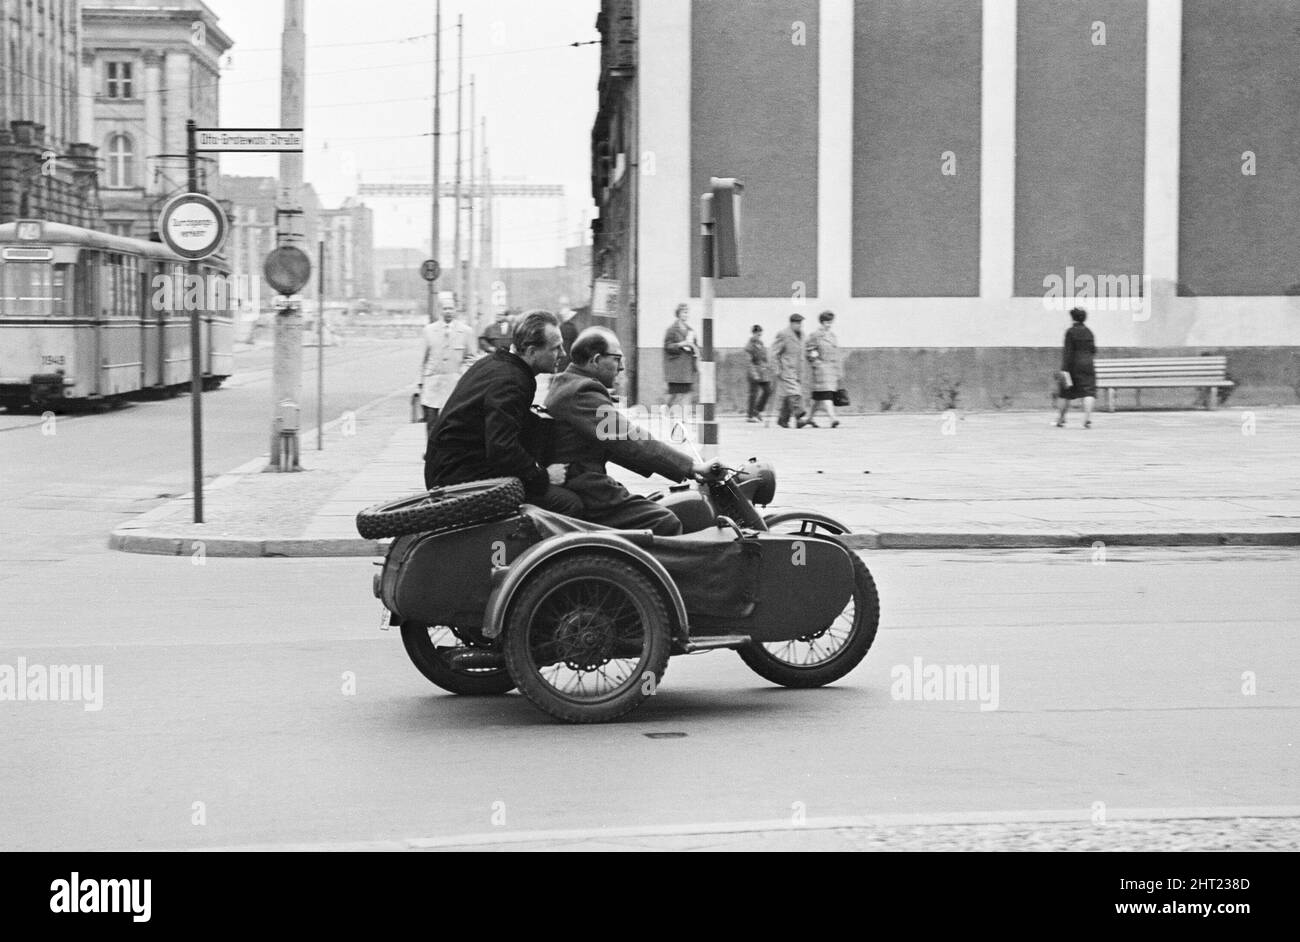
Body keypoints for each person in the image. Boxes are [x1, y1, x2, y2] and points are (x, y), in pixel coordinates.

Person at [547, 327, 720, 536]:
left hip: (582, 484)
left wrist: (679, 468)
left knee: (658, 505)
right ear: (596, 360)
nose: (621, 368)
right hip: (587, 489)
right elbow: (629, 439)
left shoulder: (568, 384)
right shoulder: (582, 392)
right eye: (617, 359)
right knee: (664, 521)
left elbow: (618, 446)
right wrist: (692, 467)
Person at [424, 310, 582, 516]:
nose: (562, 354)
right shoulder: (511, 381)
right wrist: (543, 476)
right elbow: (502, 448)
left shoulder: (497, 364)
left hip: (450, 467)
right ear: (532, 351)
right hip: (457, 478)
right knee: (569, 503)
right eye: (555, 348)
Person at [415, 303, 476, 434]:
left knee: (452, 422)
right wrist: (420, 382)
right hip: (432, 384)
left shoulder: (466, 331)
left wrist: (462, 375)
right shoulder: (429, 330)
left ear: (456, 310)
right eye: (445, 308)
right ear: (440, 311)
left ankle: (449, 452)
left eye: (451, 308)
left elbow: (471, 358)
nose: (448, 311)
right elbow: (422, 359)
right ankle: (431, 452)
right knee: (431, 421)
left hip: (454, 384)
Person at [1056, 306, 1097, 428]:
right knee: (1088, 392)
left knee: (1065, 393)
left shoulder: (1070, 332)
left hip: (1073, 365)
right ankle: (1087, 419)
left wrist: (1064, 369)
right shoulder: (1089, 332)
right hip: (1088, 365)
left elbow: (1068, 352)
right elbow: (1093, 350)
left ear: (1072, 318)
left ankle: (1061, 419)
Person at [803, 310, 842, 428]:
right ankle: (833, 418)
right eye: (826, 322)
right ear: (821, 322)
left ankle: (809, 419)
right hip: (821, 370)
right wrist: (816, 362)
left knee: (818, 398)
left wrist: (839, 370)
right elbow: (809, 349)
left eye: (830, 322)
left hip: (832, 369)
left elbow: (836, 354)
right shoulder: (815, 335)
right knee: (827, 395)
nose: (829, 324)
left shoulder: (832, 336)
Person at [770, 313, 808, 428]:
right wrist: (777, 369)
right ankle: (799, 417)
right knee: (795, 392)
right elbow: (774, 353)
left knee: (789, 394)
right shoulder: (783, 334)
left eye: (800, 323)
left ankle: (783, 419)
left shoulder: (802, 335)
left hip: (799, 370)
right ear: (791, 323)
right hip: (786, 369)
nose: (799, 325)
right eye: (797, 323)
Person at [662, 302, 698, 411]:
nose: (686, 315)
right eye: (683, 312)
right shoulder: (671, 330)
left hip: (686, 366)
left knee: (687, 392)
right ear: (678, 314)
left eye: (687, 313)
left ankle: (685, 415)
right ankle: (666, 408)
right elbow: (667, 346)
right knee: (674, 393)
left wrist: (694, 348)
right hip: (675, 367)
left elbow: (695, 346)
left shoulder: (690, 330)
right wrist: (680, 344)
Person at [743, 324, 772, 423]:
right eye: (757, 334)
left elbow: (764, 357)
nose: (759, 336)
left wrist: (767, 366)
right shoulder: (749, 346)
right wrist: (754, 374)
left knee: (768, 391)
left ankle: (757, 410)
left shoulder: (761, 343)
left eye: (760, 334)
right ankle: (750, 416)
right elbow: (748, 362)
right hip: (754, 372)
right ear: (753, 333)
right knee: (753, 394)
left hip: (763, 372)